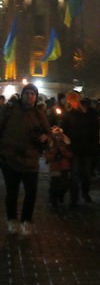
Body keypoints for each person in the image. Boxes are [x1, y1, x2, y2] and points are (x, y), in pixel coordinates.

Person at [0, 83, 50, 235]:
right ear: (22, 95)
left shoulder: (39, 114)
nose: (30, 96)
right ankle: (12, 220)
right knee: (12, 192)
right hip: (10, 159)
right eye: (27, 93)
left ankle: (26, 220)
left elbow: (47, 134)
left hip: (31, 160)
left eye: (33, 94)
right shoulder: (9, 110)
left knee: (31, 192)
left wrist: (44, 139)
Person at [61, 90, 99, 205]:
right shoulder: (68, 114)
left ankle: (85, 193)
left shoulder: (90, 112)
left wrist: (94, 145)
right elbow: (65, 130)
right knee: (74, 174)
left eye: (73, 99)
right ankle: (74, 197)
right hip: (74, 148)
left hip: (87, 148)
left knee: (86, 174)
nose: (72, 102)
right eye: (70, 100)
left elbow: (94, 130)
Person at [46, 125, 73, 212]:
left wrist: (62, 149)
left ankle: (60, 196)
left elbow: (70, 153)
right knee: (54, 183)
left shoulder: (65, 141)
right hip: (55, 165)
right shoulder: (50, 142)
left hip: (64, 165)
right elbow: (48, 154)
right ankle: (53, 199)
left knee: (65, 183)